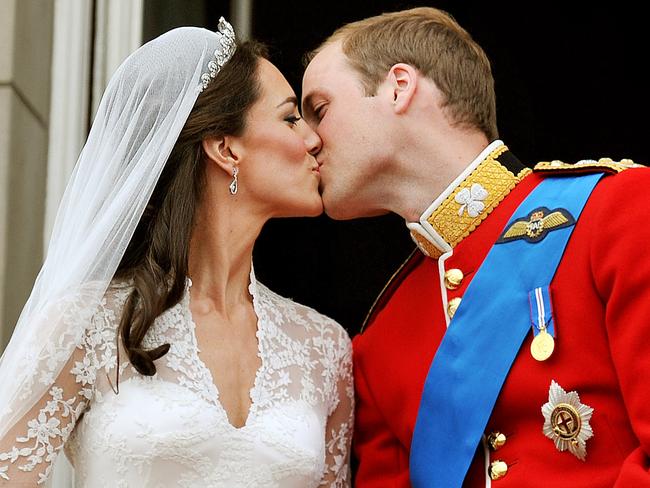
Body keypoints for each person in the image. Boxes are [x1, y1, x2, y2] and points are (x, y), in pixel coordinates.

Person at [302, 6, 649, 487]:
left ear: (398, 86)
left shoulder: (617, 211)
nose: (306, 141)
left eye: (319, 110)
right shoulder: (378, 342)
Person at [0, 19, 353, 487]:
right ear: (226, 148)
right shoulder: (85, 323)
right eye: (290, 118)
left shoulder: (324, 347)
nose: (313, 139)